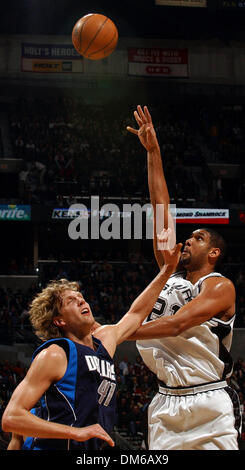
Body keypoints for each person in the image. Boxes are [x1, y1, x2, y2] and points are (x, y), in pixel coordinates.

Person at [126, 105, 242, 450]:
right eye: (188, 235)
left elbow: (179, 324)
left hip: (209, 402)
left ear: (214, 253)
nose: (188, 239)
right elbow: (160, 205)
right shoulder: (170, 273)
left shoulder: (219, 285)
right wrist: (153, 152)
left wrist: (123, 332)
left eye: (199, 238)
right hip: (164, 401)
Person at [2, 234, 182, 451]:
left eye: (81, 297)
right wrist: (76, 432)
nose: (81, 300)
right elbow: (11, 417)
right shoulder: (56, 354)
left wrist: (166, 271)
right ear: (59, 320)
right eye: (71, 301)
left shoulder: (104, 342)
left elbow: (135, 314)